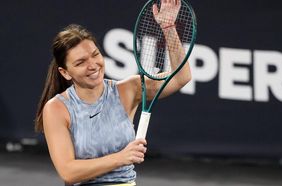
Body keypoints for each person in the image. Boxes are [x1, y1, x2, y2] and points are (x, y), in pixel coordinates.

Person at [34, 0, 190, 185]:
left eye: (95, 54)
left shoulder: (128, 89)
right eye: (80, 62)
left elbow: (181, 77)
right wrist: (121, 157)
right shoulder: (57, 108)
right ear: (65, 72)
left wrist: (168, 27)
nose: (92, 65)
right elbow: (68, 172)